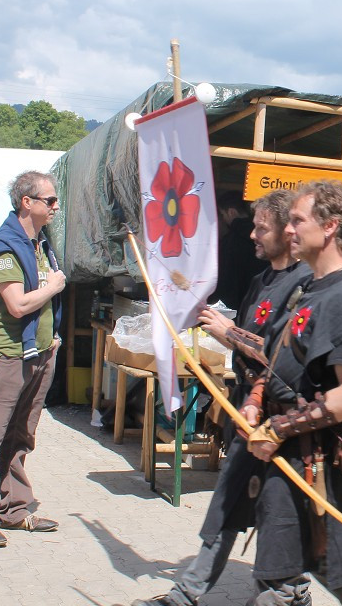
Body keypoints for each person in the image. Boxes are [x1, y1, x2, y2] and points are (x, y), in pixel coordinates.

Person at [131, 189, 313, 606]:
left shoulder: (307, 286)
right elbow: (249, 345)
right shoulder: (261, 281)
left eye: (261, 228)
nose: (252, 235)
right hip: (247, 413)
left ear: (288, 231)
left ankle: (290, 590)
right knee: (227, 505)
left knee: (279, 511)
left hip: (284, 422)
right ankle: (188, 594)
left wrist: (228, 334)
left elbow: (287, 356)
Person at [245, 180, 342, 606]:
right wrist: (257, 399)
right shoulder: (311, 289)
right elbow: (278, 358)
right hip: (290, 454)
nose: (288, 229)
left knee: (330, 567)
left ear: (329, 226)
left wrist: (279, 428)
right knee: (298, 569)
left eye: (297, 220)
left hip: (316, 461)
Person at [0, 171, 66, 548]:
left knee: (21, 434)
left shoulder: (40, 245)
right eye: (50, 200)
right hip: (8, 355)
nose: (56, 207)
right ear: (28, 202)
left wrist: (53, 340)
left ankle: (15, 509)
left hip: (39, 353)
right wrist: (52, 286)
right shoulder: (6, 248)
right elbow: (18, 303)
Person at [210, 191, 264, 310]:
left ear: (231, 212)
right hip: (258, 303)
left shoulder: (231, 240)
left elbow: (226, 281)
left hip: (232, 307)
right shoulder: (263, 241)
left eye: (223, 215)